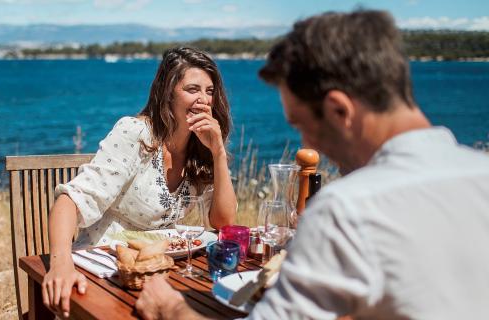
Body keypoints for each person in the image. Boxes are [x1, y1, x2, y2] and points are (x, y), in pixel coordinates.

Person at [135, 10, 489, 320]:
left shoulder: (348, 209)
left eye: (302, 125)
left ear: (339, 110)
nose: (307, 147)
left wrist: (170, 309)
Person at [42, 47, 237, 317]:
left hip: (158, 274)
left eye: (210, 91)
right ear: (168, 92)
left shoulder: (199, 150)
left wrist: (218, 153)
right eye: (193, 89)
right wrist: (60, 263)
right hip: (105, 272)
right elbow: (70, 200)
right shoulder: (136, 135)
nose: (204, 100)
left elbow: (223, 223)